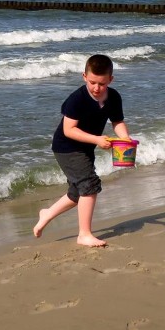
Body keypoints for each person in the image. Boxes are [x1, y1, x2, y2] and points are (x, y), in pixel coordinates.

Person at [33, 54, 133, 247]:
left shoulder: (113, 97)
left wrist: (125, 139)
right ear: (84, 76)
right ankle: (84, 234)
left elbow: (117, 121)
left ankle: (47, 213)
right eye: (93, 82)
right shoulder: (76, 99)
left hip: (85, 148)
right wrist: (96, 139)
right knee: (89, 185)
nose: (97, 88)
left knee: (78, 192)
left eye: (102, 84)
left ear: (110, 80)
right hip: (66, 148)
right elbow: (68, 130)